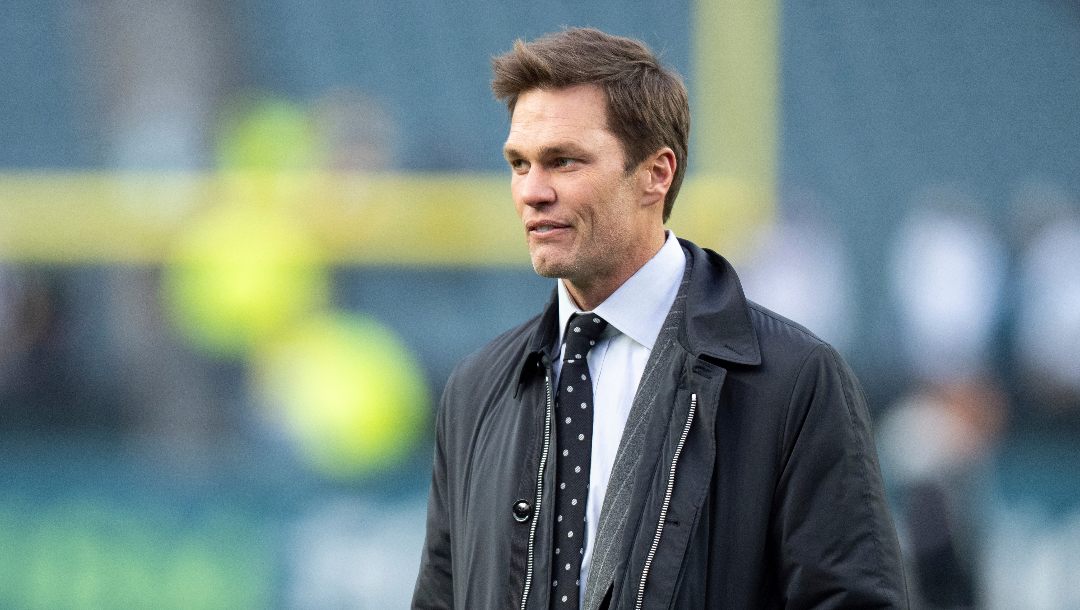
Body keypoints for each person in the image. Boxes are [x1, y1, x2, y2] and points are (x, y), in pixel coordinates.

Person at [413, 27, 907, 609]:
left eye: (564, 162)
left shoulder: (794, 380)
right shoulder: (475, 392)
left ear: (657, 173)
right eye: (519, 164)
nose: (532, 191)